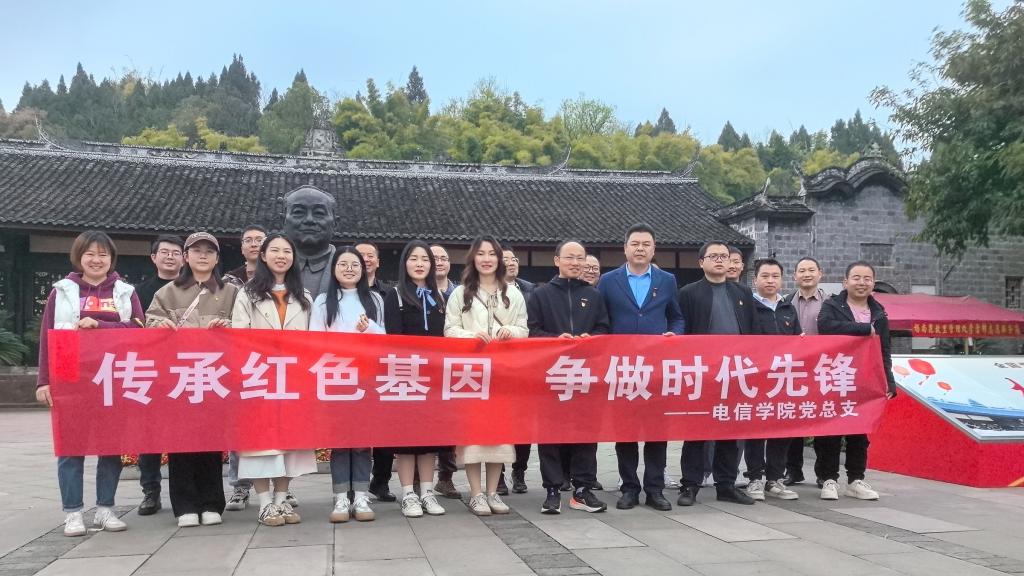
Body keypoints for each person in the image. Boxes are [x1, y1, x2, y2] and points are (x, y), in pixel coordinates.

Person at [36, 231, 144, 537]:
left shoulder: (125, 292)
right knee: (70, 447)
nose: (97, 260)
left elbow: (139, 329)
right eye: (90, 254)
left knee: (110, 445)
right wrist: (44, 381)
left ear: (111, 259)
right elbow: (47, 336)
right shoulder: (63, 291)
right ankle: (73, 513)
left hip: (113, 376)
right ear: (79, 257)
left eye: (103, 255)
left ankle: (105, 509)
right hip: (70, 377)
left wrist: (101, 325)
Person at [146, 232, 237, 528]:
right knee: (180, 440)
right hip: (179, 377)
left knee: (211, 440)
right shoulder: (168, 292)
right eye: (196, 251)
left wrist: (228, 325)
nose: (203, 256)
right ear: (186, 257)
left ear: (217, 258)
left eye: (209, 251)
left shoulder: (231, 292)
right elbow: (149, 323)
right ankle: (184, 505)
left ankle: (212, 502)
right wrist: (160, 324)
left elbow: (245, 327)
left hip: (216, 376)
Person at [231, 233, 317, 526]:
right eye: (275, 251)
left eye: (287, 251)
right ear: (264, 256)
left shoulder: (304, 297)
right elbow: (239, 337)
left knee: (290, 443)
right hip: (259, 377)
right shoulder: (248, 294)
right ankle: (265, 503)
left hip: (293, 380)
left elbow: (313, 341)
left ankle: (281, 500)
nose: (281, 256)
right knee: (259, 443)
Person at [598, 223, 684, 511]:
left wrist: (675, 335)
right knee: (625, 432)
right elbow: (601, 319)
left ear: (653, 249)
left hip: (656, 368)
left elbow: (677, 317)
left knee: (657, 431)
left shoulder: (667, 280)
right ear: (625, 248)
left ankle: (655, 489)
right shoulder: (608, 281)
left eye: (646, 244)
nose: (640, 249)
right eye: (635, 244)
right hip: (622, 368)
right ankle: (629, 488)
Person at [444, 236, 529, 516]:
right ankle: (476, 494)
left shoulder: (513, 293)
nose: (487, 259)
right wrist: (471, 335)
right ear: (473, 258)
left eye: (492, 253)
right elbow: (450, 329)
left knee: (499, 435)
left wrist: (510, 331)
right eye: (481, 253)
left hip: (502, 373)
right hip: (471, 373)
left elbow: (523, 328)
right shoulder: (460, 293)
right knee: (473, 436)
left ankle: (493, 492)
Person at [528, 240, 610, 514]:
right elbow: (532, 331)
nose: (575, 263)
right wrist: (555, 340)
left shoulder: (594, 295)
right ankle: (552, 490)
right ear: (556, 260)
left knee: (586, 433)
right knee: (549, 434)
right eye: (570, 257)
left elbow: (604, 329)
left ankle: (583, 490)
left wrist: (591, 338)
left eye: (580, 258)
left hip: (586, 376)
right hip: (552, 375)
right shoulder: (541, 295)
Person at [677, 241, 757, 507]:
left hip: (735, 372)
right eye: (714, 256)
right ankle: (690, 485)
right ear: (701, 262)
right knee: (696, 431)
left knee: (730, 432)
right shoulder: (688, 293)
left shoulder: (742, 293)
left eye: (724, 256)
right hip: (702, 373)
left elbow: (754, 332)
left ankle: (726, 485)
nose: (720, 260)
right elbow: (682, 331)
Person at [310, 247, 384, 523]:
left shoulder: (374, 299)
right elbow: (314, 341)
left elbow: (384, 339)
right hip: (336, 379)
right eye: (343, 264)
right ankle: (341, 496)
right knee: (340, 442)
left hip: (365, 379)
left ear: (363, 270)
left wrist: (369, 329)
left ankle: (361, 495)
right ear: (334, 269)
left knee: (362, 441)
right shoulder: (322, 301)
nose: (350, 269)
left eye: (355, 264)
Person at [815, 261, 897, 501]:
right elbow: (826, 327)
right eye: (856, 278)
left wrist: (889, 381)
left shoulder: (879, 312)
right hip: (835, 376)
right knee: (830, 431)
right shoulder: (832, 305)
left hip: (865, 380)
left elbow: (884, 350)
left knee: (860, 432)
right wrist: (863, 329)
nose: (862, 283)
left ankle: (855, 479)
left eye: (867, 279)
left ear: (873, 283)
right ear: (845, 282)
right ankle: (829, 479)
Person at [382, 240, 449, 518]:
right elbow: (393, 339)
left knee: (429, 438)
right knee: (407, 439)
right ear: (404, 263)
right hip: (405, 376)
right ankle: (408, 493)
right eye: (414, 258)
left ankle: (427, 492)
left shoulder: (439, 296)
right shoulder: (395, 295)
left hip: (433, 378)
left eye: (425, 259)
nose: (420, 264)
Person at [133, 234, 184, 516]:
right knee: (149, 434)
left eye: (175, 253)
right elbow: (131, 330)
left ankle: (182, 492)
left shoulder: (195, 290)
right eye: (164, 252)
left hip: (185, 372)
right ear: (154, 257)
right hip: (151, 372)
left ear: (184, 258)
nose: (170, 257)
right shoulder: (139, 292)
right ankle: (150, 491)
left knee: (182, 436)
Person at [743, 258, 800, 501]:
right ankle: (755, 478)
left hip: (783, 379)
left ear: (782, 280)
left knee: (782, 429)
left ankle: (775, 479)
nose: (770, 281)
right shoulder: (747, 307)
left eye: (775, 276)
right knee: (755, 430)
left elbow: (798, 341)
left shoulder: (788, 308)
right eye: (765, 276)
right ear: (754, 279)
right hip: (755, 380)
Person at [221, 225, 267, 511]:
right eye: (248, 240)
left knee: (276, 427)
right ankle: (240, 487)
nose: (253, 244)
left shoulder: (281, 279)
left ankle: (281, 487)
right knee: (241, 428)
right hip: (239, 362)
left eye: (259, 240)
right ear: (241, 247)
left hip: (273, 363)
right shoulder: (228, 282)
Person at [781, 256, 827, 485]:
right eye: (802, 271)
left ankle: (823, 473)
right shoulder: (785, 302)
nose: (806, 274)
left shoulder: (832, 303)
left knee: (822, 422)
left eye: (811, 270)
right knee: (793, 421)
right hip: (793, 371)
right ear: (794, 276)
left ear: (820, 274)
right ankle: (793, 470)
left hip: (822, 369)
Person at [360, 240, 400, 503]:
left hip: (384, 367)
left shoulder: (388, 293)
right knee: (358, 428)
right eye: (360, 255)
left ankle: (381, 481)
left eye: (370, 255)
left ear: (378, 261)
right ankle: (355, 483)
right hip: (352, 369)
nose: (366, 260)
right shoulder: (336, 293)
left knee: (386, 428)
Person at [430, 244, 461, 499]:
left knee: (450, 423)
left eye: (444, 258)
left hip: (454, 365)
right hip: (426, 366)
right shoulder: (418, 291)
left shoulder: (460, 292)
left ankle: (446, 477)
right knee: (425, 422)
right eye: (434, 258)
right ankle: (418, 478)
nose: (439, 262)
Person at [501, 247, 533, 495]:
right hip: (497, 363)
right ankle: (498, 474)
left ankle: (519, 470)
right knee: (500, 422)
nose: (511, 263)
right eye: (505, 260)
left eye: (514, 259)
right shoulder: (485, 290)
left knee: (524, 422)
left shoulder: (530, 290)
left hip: (525, 363)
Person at [283, 186, 337, 299]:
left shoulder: (354, 272)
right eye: (298, 212)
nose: (309, 220)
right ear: (283, 221)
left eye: (319, 213)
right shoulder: (266, 271)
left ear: (335, 223)